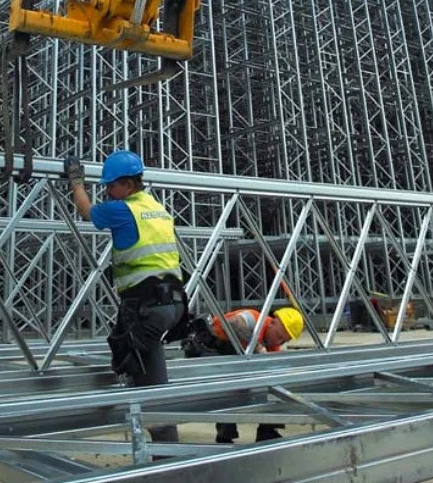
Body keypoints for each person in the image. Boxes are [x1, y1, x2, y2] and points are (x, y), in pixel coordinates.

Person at [64, 149, 187, 447]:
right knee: (127, 355)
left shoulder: (122, 209)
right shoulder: (156, 207)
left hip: (148, 307)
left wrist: (76, 181)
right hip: (174, 304)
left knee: (147, 384)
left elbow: (86, 211)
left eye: (111, 185)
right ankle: (159, 444)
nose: (108, 190)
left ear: (128, 185)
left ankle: (166, 458)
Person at [182, 306, 305, 443]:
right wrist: (257, 346)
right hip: (211, 350)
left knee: (272, 384)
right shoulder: (253, 318)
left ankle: (267, 431)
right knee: (228, 387)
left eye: (284, 341)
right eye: (280, 336)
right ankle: (225, 435)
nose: (279, 342)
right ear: (273, 323)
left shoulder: (272, 346)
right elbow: (233, 323)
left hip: (234, 359)